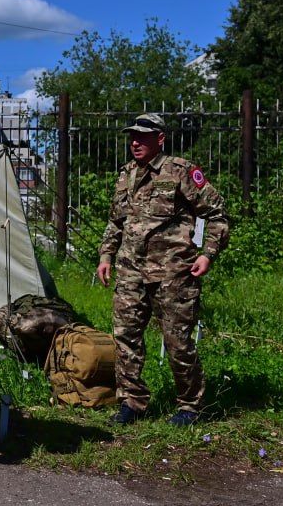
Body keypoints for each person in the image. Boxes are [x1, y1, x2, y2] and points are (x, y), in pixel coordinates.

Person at [96, 112, 230, 427]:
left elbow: (218, 213)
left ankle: (190, 406)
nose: (135, 142)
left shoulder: (180, 171)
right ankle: (132, 402)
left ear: (160, 138)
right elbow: (117, 221)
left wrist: (208, 253)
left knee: (177, 341)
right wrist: (106, 256)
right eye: (132, 137)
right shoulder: (126, 173)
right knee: (126, 338)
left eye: (142, 137)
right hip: (130, 273)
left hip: (173, 276)